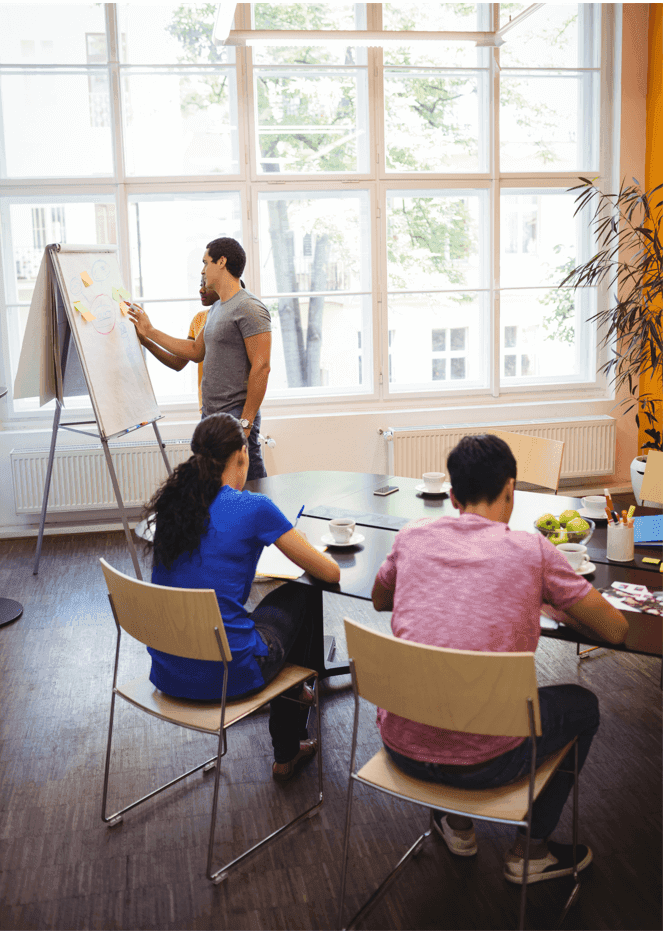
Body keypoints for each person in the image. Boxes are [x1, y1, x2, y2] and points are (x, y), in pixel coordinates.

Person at [371, 434, 628, 884]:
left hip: (403, 747)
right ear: (511, 489)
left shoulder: (412, 535)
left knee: (439, 676)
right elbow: (615, 629)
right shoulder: (533, 551)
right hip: (488, 762)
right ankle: (531, 851)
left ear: (451, 496)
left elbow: (379, 599)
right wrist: (552, 603)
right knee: (583, 706)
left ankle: (457, 824)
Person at [143, 412, 340, 781]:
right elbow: (329, 572)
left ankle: (299, 693)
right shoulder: (253, 508)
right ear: (242, 454)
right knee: (304, 591)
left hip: (169, 671)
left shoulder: (173, 506)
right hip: (229, 673)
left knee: (253, 610)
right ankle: (288, 743)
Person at [129, 237, 271, 481]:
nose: (203, 270)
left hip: (235, 416)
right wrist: (148, 335)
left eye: (206, 263)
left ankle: (271, 520)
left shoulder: (249, 307)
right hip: (212, 415)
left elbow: (262, 367)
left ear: (222, 261)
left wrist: (245, 424)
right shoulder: (217, 308)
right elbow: (196, 350)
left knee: (253, 484)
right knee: (217, 490)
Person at [138, 277, 218, 414]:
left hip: (228, 407)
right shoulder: (199, 319)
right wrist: (145, 341)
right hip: (207, 407)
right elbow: (178, 363)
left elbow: (195, 351)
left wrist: (150, 331)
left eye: (207, 285)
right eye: (200, 284)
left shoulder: (226, 317)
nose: (201, 290)